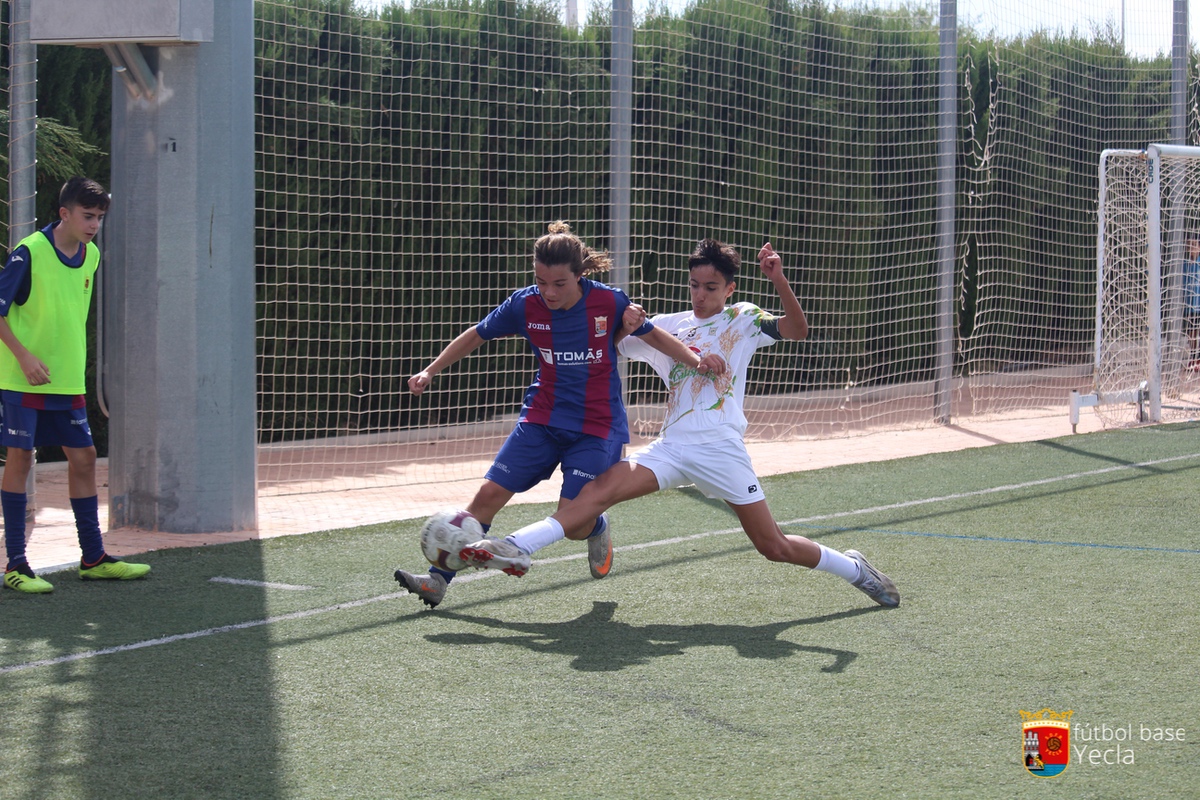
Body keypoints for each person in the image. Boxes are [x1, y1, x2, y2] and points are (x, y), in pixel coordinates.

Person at [458, 238, 900, 607]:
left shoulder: (742, 318)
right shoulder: (668, 325)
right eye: (694, 285)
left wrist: (778, 279)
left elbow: (798, 330)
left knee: (774, 547)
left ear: (730, 288)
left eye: (711, 287)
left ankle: (855, 568)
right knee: (594, 493)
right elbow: (604, 353)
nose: (701, 295)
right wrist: (626, 325)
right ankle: (515, 545)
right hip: (670, 448)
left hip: (721, 449)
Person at [394, 221, 724, 608]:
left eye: (559, 284)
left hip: (597, 426)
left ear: (579, 275)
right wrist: (431, 369)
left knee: (574, 522)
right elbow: (477, 333)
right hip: (542, 417)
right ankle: (438, 580)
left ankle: (597, 524)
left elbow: (652, 334)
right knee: (488, 495)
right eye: (540, 281)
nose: (548, 291)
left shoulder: (609, 302)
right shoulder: (524, 304)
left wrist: (695, 359)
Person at [0, 176, 151, 594]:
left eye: (99, 218)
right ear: (64, 213)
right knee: (21, 459)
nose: (94, 225)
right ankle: (16, 564)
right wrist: (25, 357)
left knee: (84, 457)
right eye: (88, 216)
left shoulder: (92, 256)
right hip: (22, 379)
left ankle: (93, 558)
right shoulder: (28, 252)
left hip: (66, 383)